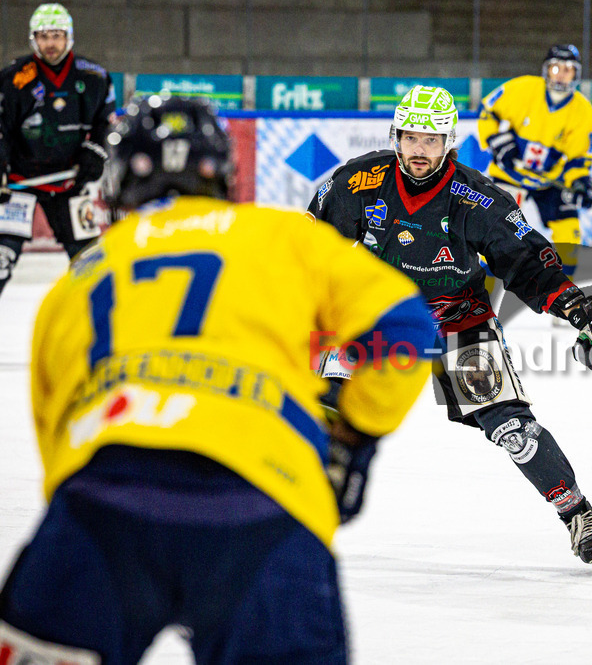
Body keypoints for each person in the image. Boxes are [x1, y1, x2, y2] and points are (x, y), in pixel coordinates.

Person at [0, 96, 436, 664]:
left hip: (100, 513)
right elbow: (404, 328)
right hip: (262, 506)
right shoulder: (279, 236)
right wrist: (355, 433)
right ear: (225, 176)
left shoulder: (76, 281)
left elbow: (56, 438)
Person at [309, 85, 592, 574]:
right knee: (319, 407)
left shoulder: (478, 199)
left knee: (513, 429)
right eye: (411, 136)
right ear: (396, 135)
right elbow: (306, 250)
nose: (419, 149)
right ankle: (283, 518)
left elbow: (531, 268)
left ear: (449, 142)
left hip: (459, 316)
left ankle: (576, 513)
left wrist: (585, 312)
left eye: (431, 140)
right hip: (376, 317)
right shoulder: (357, 182)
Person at [0, 3, 116, 301]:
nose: (50, 43)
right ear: (33, 39)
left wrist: (94, 153)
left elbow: (106, 123)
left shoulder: (95, 77)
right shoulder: (14, 78)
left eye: (57, 35)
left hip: (69, 182)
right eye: (43, 36)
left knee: (91, 264)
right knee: (1, 258)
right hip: (19, 182)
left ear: (69, 37)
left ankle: (108, 330)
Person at [477, 44, 592, 277]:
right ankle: (478, 294)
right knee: (492, 230)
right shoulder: (523, 89)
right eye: (555, 68)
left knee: (569, 234)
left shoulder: (583, 112)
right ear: (546, 70)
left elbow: (578, 159)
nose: (561, 74)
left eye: (568, 69)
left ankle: (564, 298)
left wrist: (580, 183)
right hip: (509, 175)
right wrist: (498, 141)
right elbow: (487, 110)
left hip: (549, 182)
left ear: (576, 74)